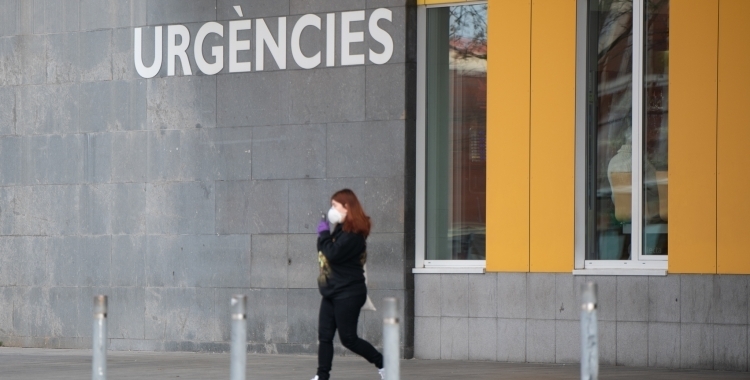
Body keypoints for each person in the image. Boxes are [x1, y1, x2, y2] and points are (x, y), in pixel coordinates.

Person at [312, 189, 384, 380]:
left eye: (335, 205)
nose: (331, 210)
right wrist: (325, 235)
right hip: (331, 291)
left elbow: (332, 253)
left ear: (347, 207)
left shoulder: (355, 235)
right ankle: (322, 376)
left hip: (348, 293)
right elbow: (326, 250)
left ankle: (383, 364)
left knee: (349, 339)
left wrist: (324, 234)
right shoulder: (341, 230)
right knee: (325, 336)